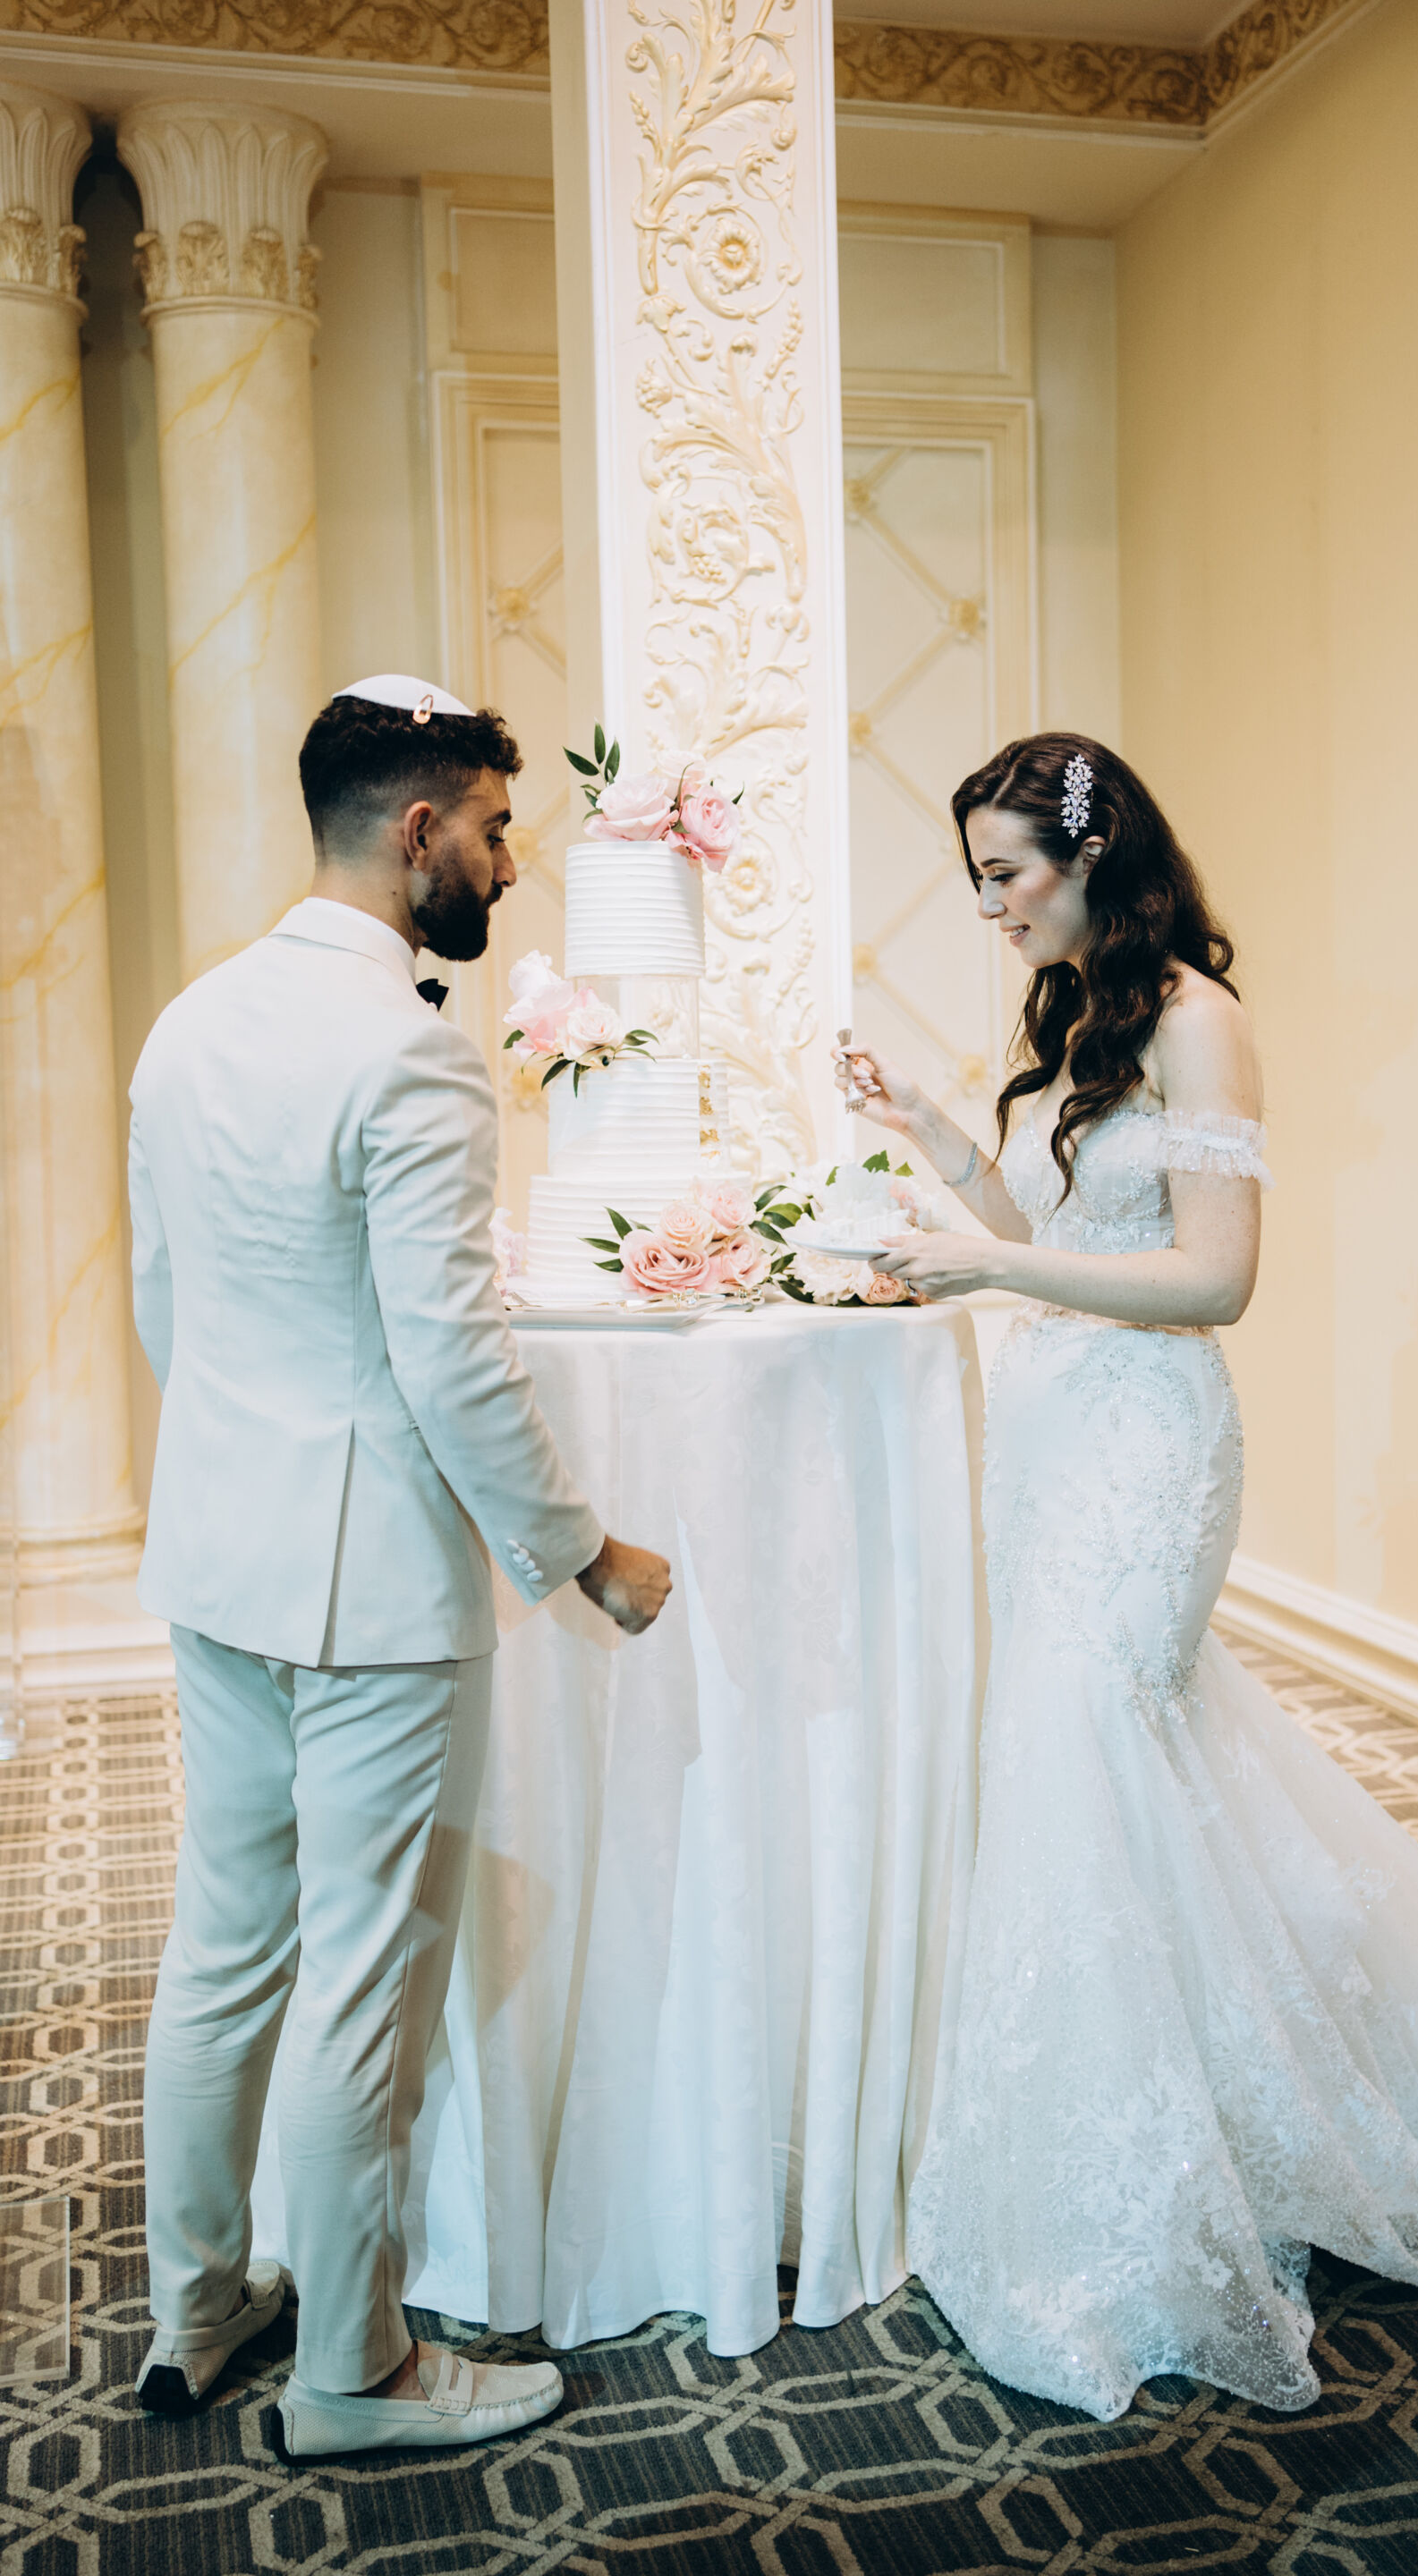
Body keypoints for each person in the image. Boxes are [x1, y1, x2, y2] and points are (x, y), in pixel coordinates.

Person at [836, 731, 1418, 2420]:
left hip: (1149, 1449)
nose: (990, 908)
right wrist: (932, 1133)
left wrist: (981, 1266)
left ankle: (1155, 2168)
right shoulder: (1076, 1017)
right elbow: (1055, 1231)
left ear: (1092, 856)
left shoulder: (1197, 1018)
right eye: (978, 881)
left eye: (1006, 875)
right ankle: (1195, 2106)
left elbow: (1212, 1281)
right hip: (1055, 1437)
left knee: (1091, 1741)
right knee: (1100, 1768)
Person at [128, 675, 672, 2459]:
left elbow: (163, 1305)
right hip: (372, 1593)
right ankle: (355, 2374)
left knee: (227, 1949)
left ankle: (198, 2310)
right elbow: (453, 1359)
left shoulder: (187, 1025)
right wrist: (584, 1554)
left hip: (221, 1553)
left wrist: (252, 1461)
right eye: (498, 830)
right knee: (364, 1975)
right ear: (420, 826)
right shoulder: (412, 1049)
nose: (509, 866)